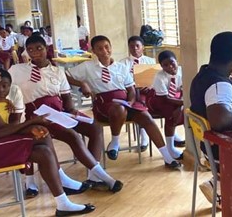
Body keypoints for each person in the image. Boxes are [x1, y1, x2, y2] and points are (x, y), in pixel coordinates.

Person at [0, 53, 95, 216]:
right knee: (43, 151)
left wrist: (31, 127)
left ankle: (62, 200)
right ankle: (63, 200)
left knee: (42, 136)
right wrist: (31, 123)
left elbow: (1, 126)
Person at [9, 35, 124, 193]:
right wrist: (3, 98)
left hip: (58, 113)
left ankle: (93, 176)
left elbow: (67, 101)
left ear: (46, 49)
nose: (34, 52)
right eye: (30, 50)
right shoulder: (17, 70)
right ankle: (104, 177)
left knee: (95, 127)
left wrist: (73, 114)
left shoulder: (58, 71)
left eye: (39, 48)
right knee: (72, 135)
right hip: (36, 116)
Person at [66, 35, 182, 168]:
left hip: (125, 102)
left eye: (107, 47)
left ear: (111, 48)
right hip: (105, 104)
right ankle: (115, 142)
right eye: (99, 49)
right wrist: (81, 83)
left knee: (146, 117)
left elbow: (131, 89)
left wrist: (131, 101)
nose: (104, 51)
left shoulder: (120, 67)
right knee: (119, 109)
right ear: (93, 51)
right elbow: (65, 76)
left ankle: (167, 157)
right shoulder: (87, 66)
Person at [190, 31, 232, 209]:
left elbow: (229, 107)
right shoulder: (219, 85)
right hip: (224, 152)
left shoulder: (202, 75)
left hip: (210, 148)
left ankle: (217, 187)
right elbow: (220, 118)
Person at [119, 36, 185, 150]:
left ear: (142, 47)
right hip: (133, 93)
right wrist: (134, 88)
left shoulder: (150, 61)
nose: (135, 49)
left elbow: (154, 79)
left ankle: (173, 134)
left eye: (137, 46)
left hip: (150, 90)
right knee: (141, 106)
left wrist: (149, 86)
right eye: (131, 46)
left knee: (166, 102)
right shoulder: (123, 63)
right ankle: (144, 136)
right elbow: (123, 81)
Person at [147, 50, 184, 159]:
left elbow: (184, 89)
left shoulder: (183, 71)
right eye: (165, 65)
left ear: (177, 61)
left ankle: (173, 136)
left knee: (181, 110)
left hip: (175, 98)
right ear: (161, 66)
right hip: (157, 99)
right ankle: (170, 148)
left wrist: (181, 104)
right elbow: (165, 98)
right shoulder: (159, 76)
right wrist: (182, 103)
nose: (170, 67)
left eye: (172, 63)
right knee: (171, 113)